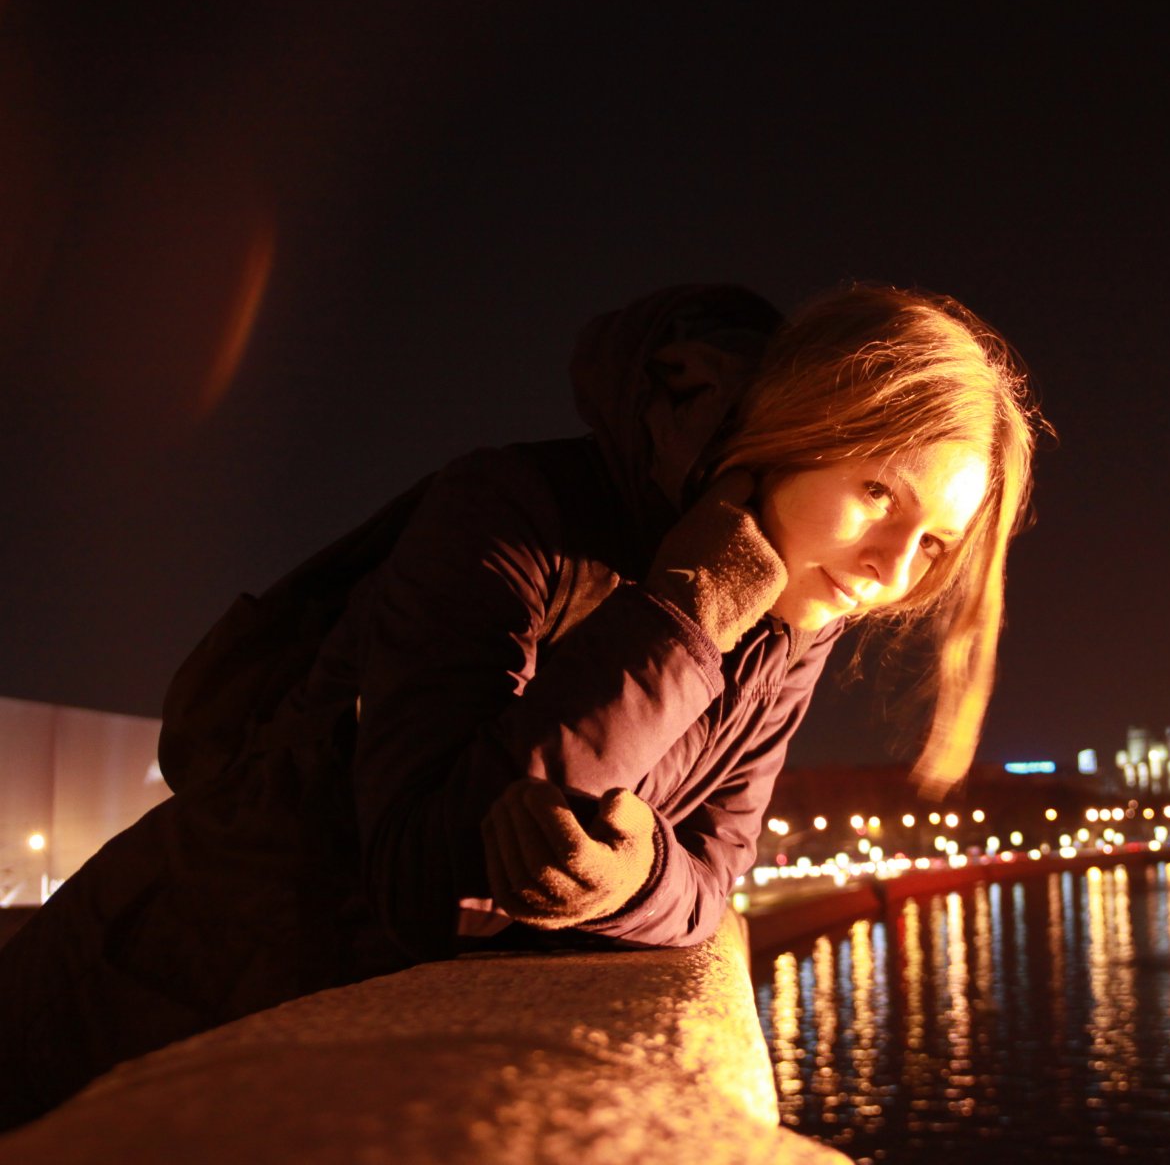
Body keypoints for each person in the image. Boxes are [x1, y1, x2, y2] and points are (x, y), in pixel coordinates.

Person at [0, 282, 1041, 1128]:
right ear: (796, 426)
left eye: (936, 544)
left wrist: (629, 876)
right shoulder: (512, 511)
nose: (894, 567)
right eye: (878, 494)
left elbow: (715, 873)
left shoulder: (796, 623)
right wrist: (690, 610)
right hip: (128, 1002)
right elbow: (423, 861)